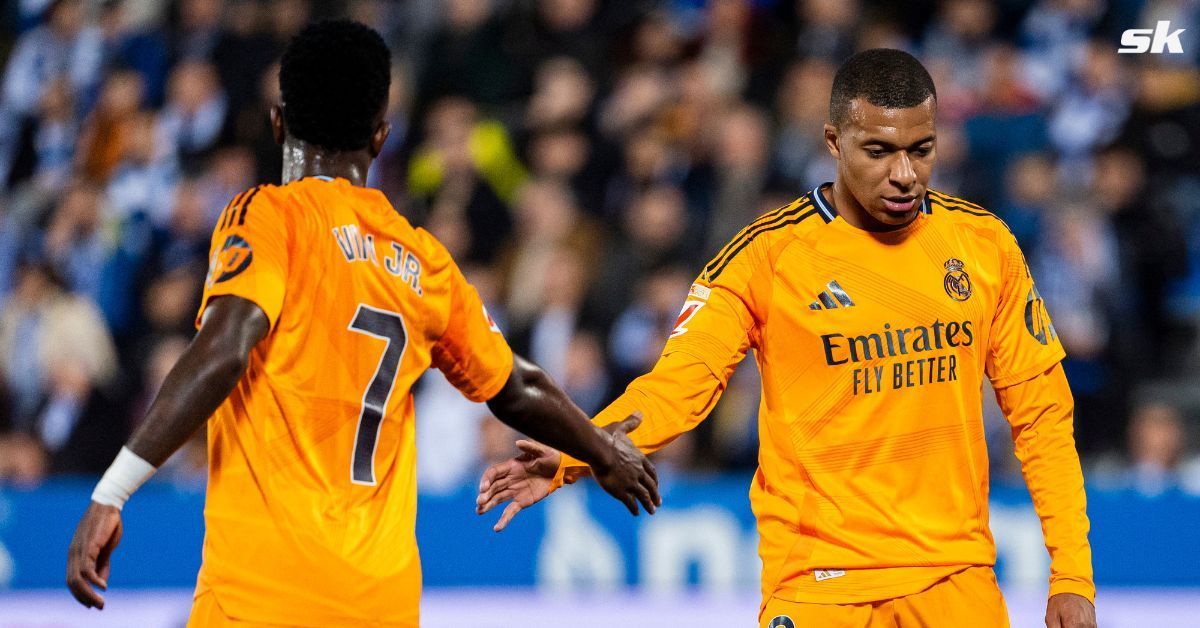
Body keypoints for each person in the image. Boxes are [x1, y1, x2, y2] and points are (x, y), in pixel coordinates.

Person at [65, 20, 659, 627]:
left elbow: (227, 346)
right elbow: (517, 388)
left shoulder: (267, 217)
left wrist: (112, 491)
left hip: (261, 594)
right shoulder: (424, 260)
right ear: (380, 137)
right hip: (379, 603)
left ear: (278, 121)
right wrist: (601, 449)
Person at [477, 49, 1096, 628]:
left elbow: (1041, 414)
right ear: (833, 141)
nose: (905, 174)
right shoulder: (765, 256)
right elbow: (676, 387)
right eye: (878, 151)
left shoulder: (983, 245)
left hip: (956, 581)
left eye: (922, 150)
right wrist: (578, 449)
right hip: (819, 584)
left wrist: (1072, 572)